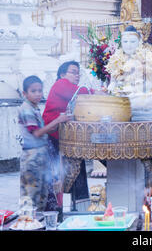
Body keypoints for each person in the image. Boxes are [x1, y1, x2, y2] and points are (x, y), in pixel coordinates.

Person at [42, 61, 93, 209]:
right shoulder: (61, 84)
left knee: (77, 166)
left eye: (78, 73)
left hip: (65, 136)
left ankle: (80, 208)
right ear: (62, 74)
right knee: (54, 175)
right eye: (73, 72)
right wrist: (96, 92)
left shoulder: (70, 88)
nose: (77, 75)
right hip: (52, 137)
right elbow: (82, 93)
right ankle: (52, 212)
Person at [17, 75, 70, 211]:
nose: (37, 94)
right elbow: (37, 133)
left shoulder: (34, 108)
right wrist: (57, 120)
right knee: (30, 196)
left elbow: (45, 131)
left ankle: (38, 223)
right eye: (33, 91)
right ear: (25, 93)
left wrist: (61, 121)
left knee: (41, 195)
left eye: (40, 90)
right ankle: (27, 223)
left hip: (40, 155)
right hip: (32, 156)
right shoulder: (26, 109)